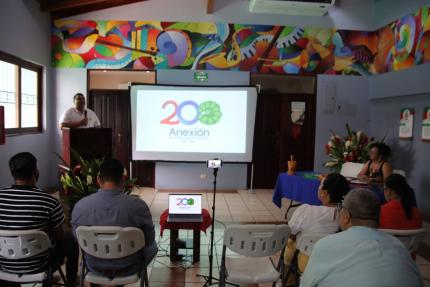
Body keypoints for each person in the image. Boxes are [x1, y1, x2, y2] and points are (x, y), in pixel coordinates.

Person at [300, 189, 422, 287]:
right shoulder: (400, 247)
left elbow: (306, 284)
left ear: (346, 216)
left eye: (341, 211)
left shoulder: (325, 245)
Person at [71, 158, 157, 281]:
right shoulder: (138, 206)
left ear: (98, 180)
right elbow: (149, 240)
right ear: (123, 179)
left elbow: (77, 238)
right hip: (130, 266)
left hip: (94, 266)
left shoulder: (81, 206)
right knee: (153, 246)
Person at [0, 152, 79, 287]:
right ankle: (71, 281)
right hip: (39, 265)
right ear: (35, 172)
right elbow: (59, 236)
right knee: (70, 239)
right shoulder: (49, 201)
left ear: (12, 173)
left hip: (5, 264)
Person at [283, 173, 349, 283]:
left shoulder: (305, 210)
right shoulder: (346, 216)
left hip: (307, 262)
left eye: (321, 184)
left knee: (290, 241)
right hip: (335, 263)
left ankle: (287, 280)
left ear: (324, 193)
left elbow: (290, 232)